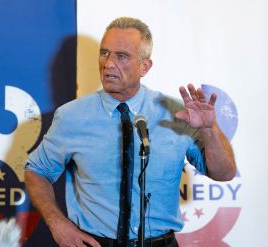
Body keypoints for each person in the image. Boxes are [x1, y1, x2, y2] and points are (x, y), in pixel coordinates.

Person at [24, 17, 236, 247]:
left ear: (145, 66)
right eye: (104, 53)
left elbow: (224, 173)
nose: (109, 64)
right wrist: (57, 223)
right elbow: (37, 170)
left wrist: (209, 130)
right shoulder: (71, 117)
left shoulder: (177, 114)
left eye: (121, 56)